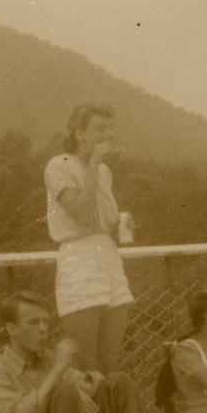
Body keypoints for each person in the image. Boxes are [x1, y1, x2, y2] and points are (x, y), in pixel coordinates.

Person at [0, 290, 157, 413]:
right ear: (11, 329)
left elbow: (92, 382)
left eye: (46, 322)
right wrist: (58, 373)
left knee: (118, 382)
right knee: (64, 391)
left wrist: (78, 390)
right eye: (33, 322)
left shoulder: (46, 357)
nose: (43, 329)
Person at [44, 104, 133, 374]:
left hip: (108, 259)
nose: (108, 134)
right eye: (100, 129)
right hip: (79, 259)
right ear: (80, 133)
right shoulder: (59, 165)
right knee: (87, 366)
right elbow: (81, 214)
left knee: (110, 364)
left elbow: (103, 220)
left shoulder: (104, 172)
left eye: (110, 128)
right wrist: (93, 163)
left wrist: (121, 223)